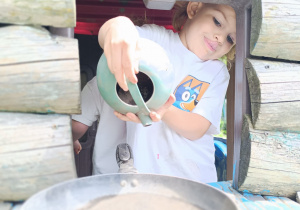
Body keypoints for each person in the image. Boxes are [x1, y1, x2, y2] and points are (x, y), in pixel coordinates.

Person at [73, 1, 236, 183]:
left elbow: (198, 128)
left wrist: (161, 107)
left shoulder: (216, 72)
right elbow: (118, 32)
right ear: (194, 9)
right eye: (217, 22)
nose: (221, 38)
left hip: (193, 178)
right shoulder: (155, 40)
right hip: (146, 176)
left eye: (230, 38)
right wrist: (118, 26)